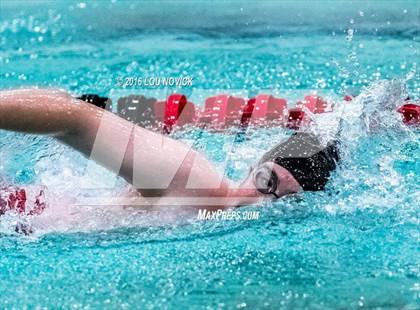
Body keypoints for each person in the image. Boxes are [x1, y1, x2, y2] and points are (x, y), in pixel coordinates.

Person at [0, 88, 339, 211]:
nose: (259, 201)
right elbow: (77, 118)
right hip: (24, 216)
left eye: (283, 202)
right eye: (266, 182)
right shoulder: (189, 175)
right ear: (255, 165)